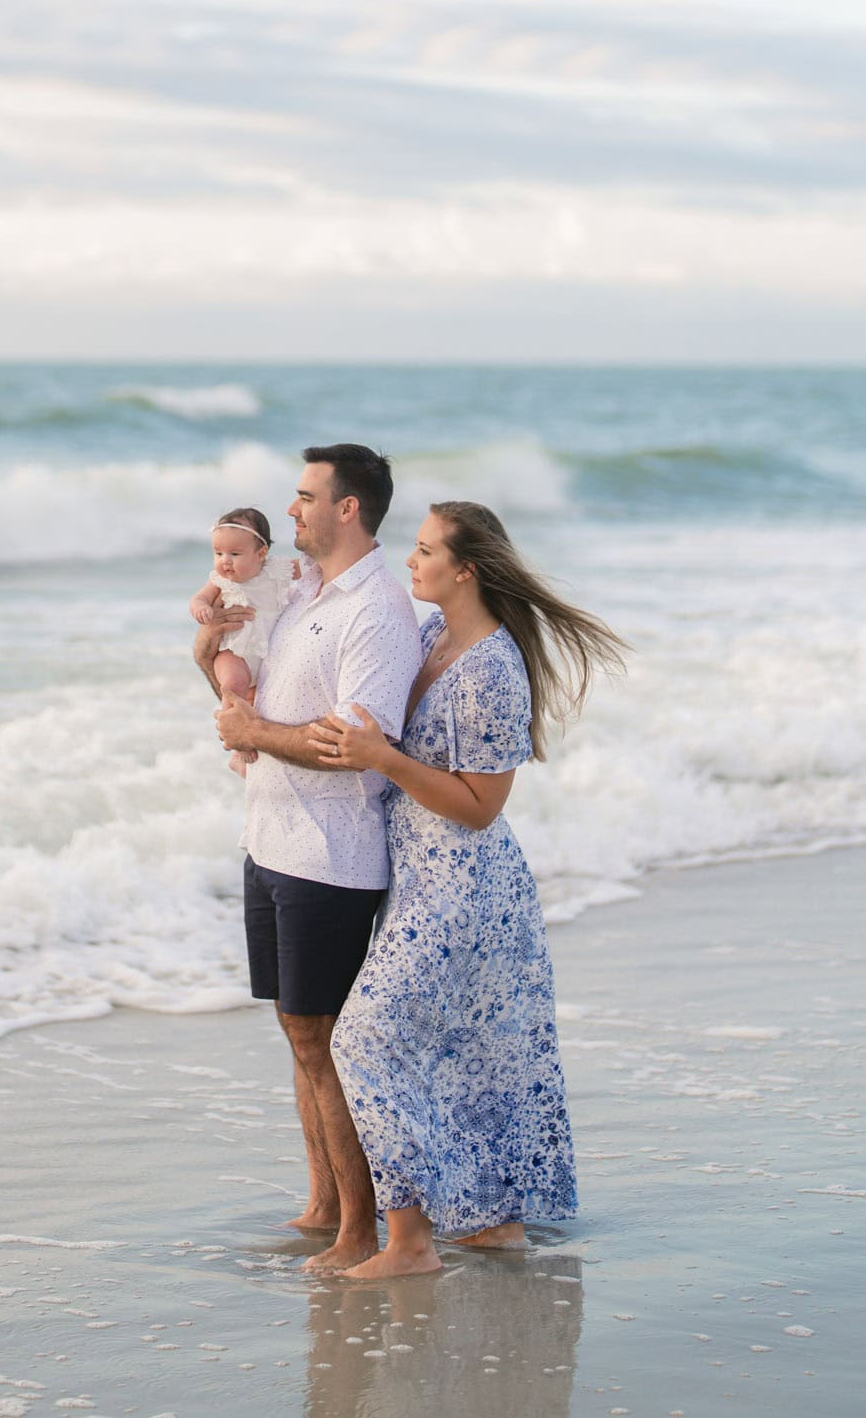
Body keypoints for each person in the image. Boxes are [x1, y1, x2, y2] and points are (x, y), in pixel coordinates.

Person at [310, 500, 627, 1278]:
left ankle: (411, 1243)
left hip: (465, 888)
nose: (410, 563)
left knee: (362, 1037)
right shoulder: (432, 636)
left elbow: (483, 808)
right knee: (467, 1056)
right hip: (421, 881)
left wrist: (381, 758)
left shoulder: (492, 668)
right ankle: (490, 1226)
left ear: (466, 569)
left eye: (424, 552)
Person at [198, 445, 423, 1272]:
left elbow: (359, 744)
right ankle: (325, 1202)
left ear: (348, 509)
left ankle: (363, 1231)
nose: (288, 512)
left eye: (303, 498)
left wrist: (253, 732)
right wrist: (212, 664)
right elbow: (249, 697)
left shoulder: (378, 613)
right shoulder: (298, 594)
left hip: (331, 855)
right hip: (270, 835)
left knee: (322, 1036)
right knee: (298, 1033)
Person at [188, 506, 299, 776]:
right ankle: (238, 745)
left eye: (234, 554)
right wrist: (201, 609)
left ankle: (253, 746)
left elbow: (312, 568)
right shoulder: (220, 580)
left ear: (261, 554)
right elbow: (199, 598)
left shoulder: (276, 570)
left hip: (265, 651)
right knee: (233, 686)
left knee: (260, 700)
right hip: (234, 649)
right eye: (218, 553)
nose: (224, 561)